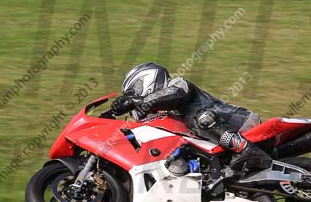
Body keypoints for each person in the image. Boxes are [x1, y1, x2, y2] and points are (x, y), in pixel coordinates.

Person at [110, 62, 272, 172]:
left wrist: (134, 100)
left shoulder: (177, 84)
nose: (133, 97)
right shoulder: (163, 114)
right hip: (214, 145)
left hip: (240, 123)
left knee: (197, 118)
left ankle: (248, 150)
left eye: (133, 91)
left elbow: (176, 95)